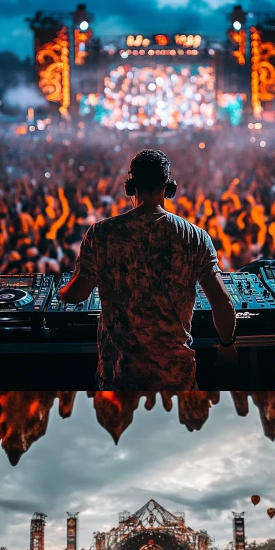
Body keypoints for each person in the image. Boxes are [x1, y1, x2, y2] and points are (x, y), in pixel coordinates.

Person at [56, 149, 238, 390]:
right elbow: (222, 302)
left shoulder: (102, 234)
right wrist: (227, 345)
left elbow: (77, 295)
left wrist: (60, 292)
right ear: (169, 187)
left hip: (119, 378)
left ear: (130, 187)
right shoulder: (195, 237)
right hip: (175, 378)